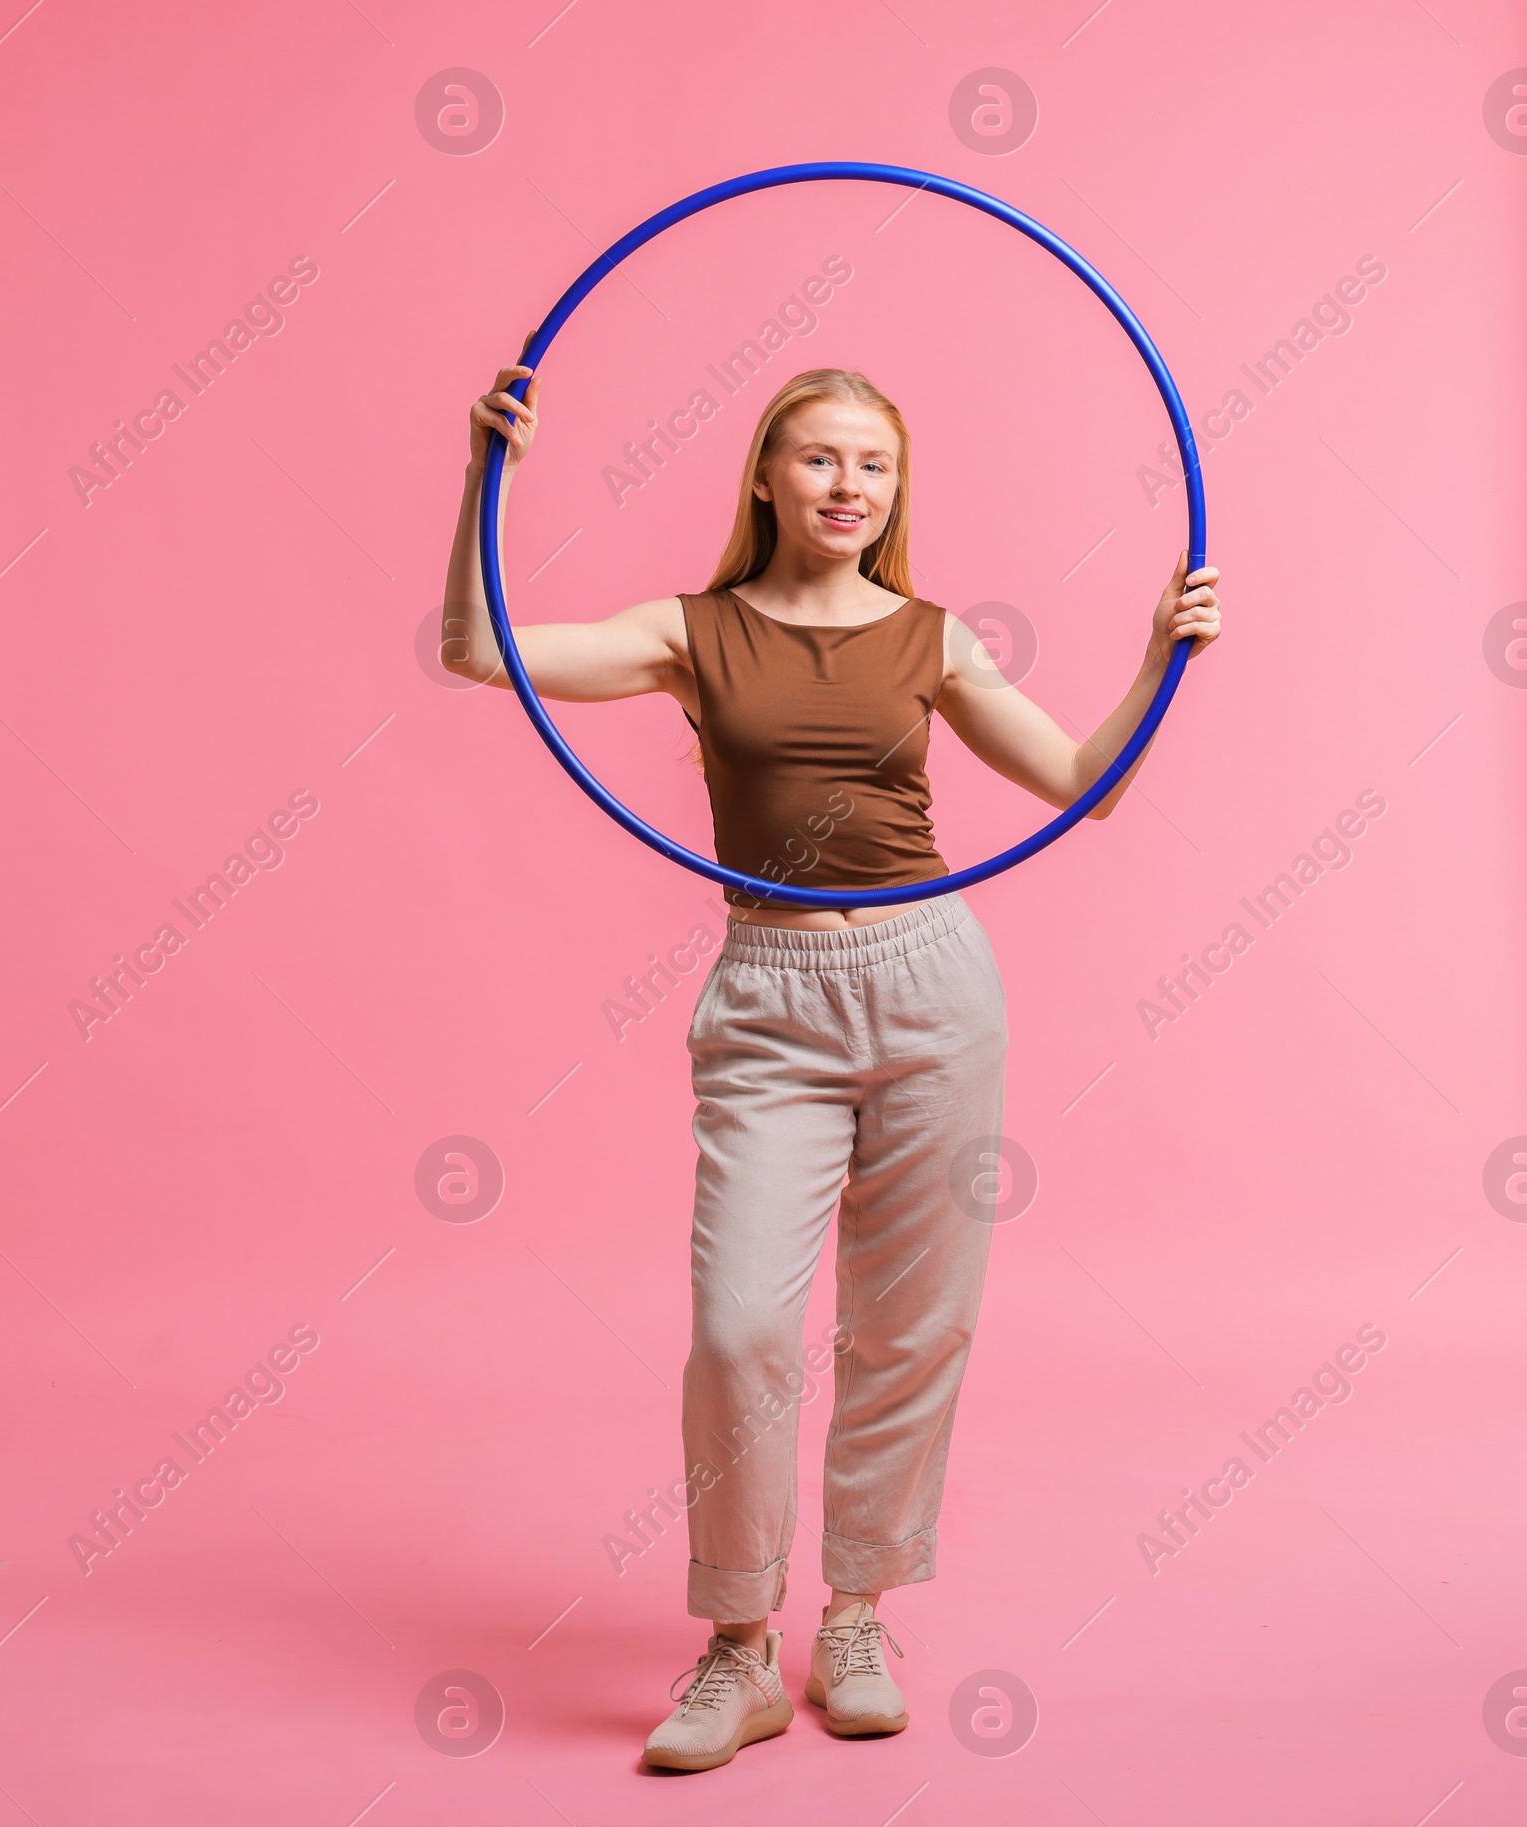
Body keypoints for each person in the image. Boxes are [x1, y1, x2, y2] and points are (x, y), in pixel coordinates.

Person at [445, 363, 1221, 1772]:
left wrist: (1162, 653)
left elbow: (1079, 783)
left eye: (873, 464)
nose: (848, 486)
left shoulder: (931, 636)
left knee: (910, 1326)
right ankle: (739, 1648)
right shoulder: (695, 632)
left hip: (934, 981)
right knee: (740, 1325)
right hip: (769, 990)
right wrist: (480, 476)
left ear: (896, 490)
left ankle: (855, 1615)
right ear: (764, 478)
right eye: (818, 460)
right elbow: (478, 652)